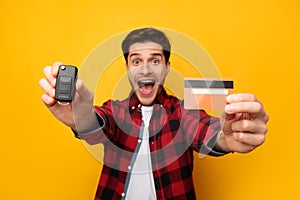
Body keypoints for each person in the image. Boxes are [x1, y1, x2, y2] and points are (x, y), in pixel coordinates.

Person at [39, 28, 269, 200]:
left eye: (155, 60)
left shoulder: (182, 111)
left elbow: (202, 127)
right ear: (128, 69)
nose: (146, 69)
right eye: (136, 60)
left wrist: (223, 138)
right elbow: (99, 124)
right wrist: (82, 119)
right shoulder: (115, 110)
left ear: (166, 67)